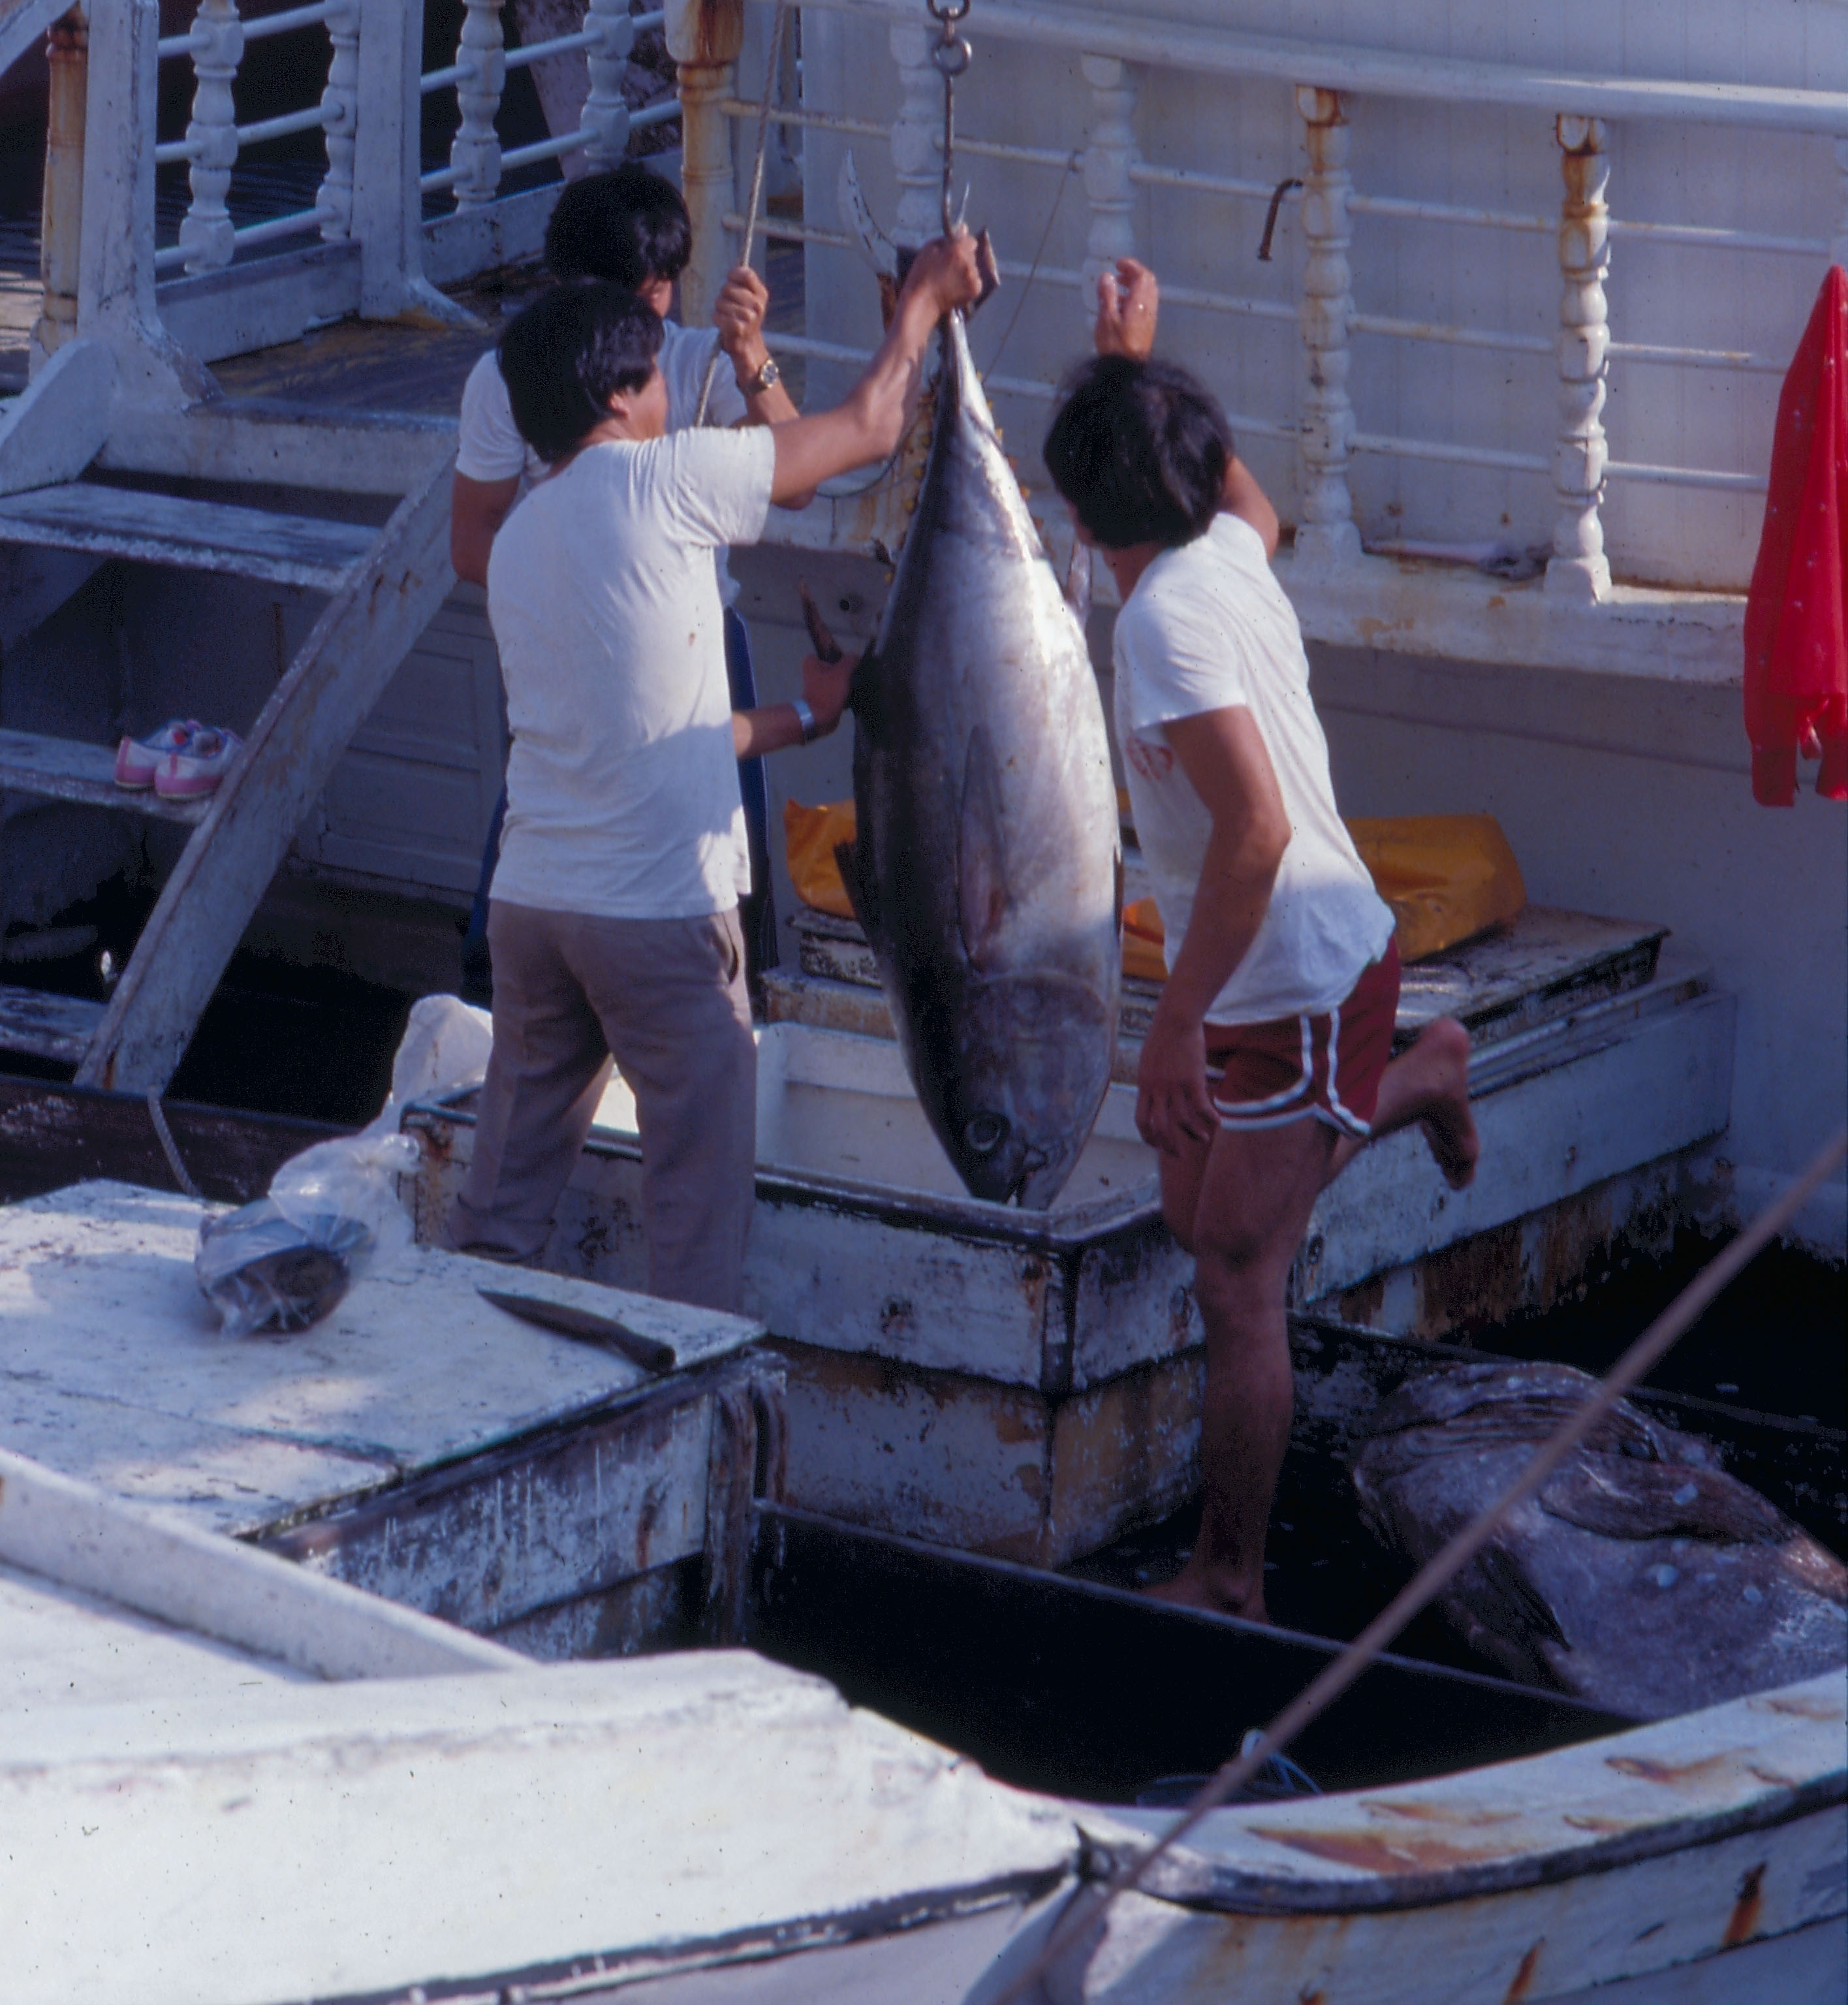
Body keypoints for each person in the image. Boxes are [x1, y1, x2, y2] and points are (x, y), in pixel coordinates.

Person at [1044, 265, 1479, 1620]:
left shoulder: (1164, 619)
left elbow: (1254, 831)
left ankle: (1229, 1574)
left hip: (1293, 972)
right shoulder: (1223, 547)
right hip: (1266, 963)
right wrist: (1137, 377)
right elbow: (1255, 502)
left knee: (1236, 1275)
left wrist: (1170, 1027)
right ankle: (1419, 1077)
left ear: (1079, 513)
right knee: (1199, 1213)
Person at [450, 227, 985, 1313]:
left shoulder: (516, 544)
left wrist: (807, 713)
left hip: (534, 909)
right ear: (620, 397)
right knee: (697, 1223)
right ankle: (693, 1407)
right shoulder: (666, 480)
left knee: (497, 1217)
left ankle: (451, 1379)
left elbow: (661, 731)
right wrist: (923, 302)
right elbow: (870, 428)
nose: (667, 395)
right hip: (657, 919)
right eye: (656, 376)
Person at [449, 163, 800, 998]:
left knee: (720, 872)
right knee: (543, 833)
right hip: (564, 651)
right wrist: (582, 596)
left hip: (700, 639)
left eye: (666, 288)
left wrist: (752, 355)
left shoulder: (696, 361)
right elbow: (471, 540)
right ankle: (499, 1006)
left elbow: (796, 480)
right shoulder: (505, 377)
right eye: (643, 295)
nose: (660, 313)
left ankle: (721, 1008)